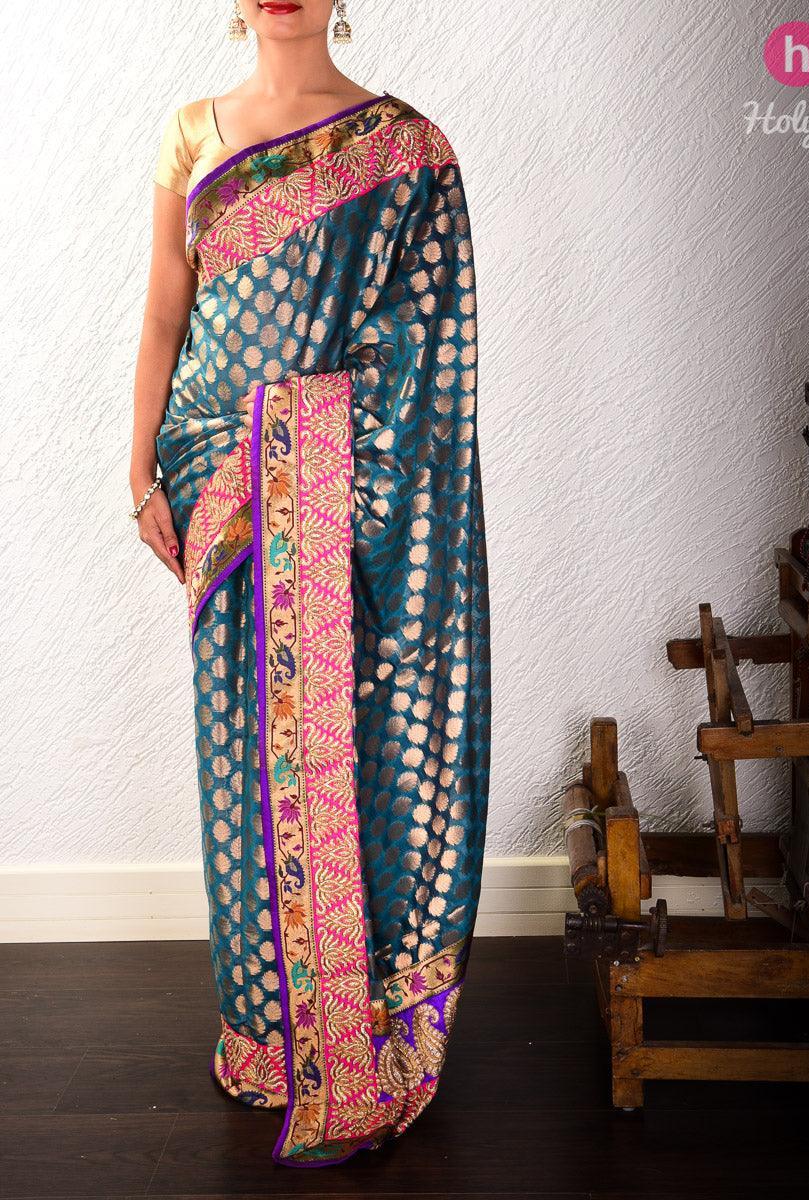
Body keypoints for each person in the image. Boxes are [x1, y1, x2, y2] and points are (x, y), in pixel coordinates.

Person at [129, 0, 491, 1167]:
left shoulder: (407, 151)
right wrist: (142, 473)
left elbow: (424, 357)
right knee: (240, 753)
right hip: (216, 482)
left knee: (350, 743)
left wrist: (307, 448)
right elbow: (168, 308)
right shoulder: (192, 131)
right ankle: (265, 1037)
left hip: (338, 491)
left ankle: (354, 1026)